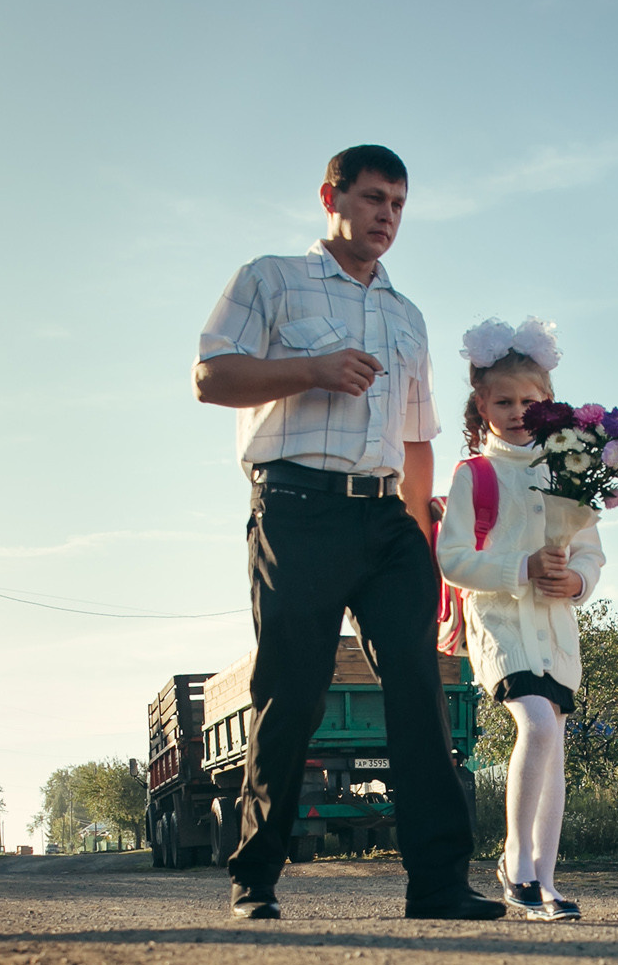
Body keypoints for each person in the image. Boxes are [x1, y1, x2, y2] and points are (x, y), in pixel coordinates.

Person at [194, 144, 503, 923]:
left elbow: (418, 438)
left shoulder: (407, 316)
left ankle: (437, 884)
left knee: (419, 689)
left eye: (398, 206)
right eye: (372, 200)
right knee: (290, 693)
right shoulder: (269, 279)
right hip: (297, 507)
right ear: (331, 195)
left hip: (387, 519)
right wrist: (312, 369)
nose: (386, 218)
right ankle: (255, 879)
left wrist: (422, 536)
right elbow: (212, 377)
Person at [435, 318, 603, 920]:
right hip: (502, 629)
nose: (515, 411)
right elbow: (453, 558)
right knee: (535, 725)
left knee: (552, 744)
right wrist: (520, 568)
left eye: (528, 401)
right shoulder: (473, 476)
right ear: (481, 405)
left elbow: (590, 547)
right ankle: (514, 859)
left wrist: (577, 579)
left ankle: (545, 882)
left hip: (557, 634)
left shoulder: (570, 471)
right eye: (502, 400)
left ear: (548, 405)